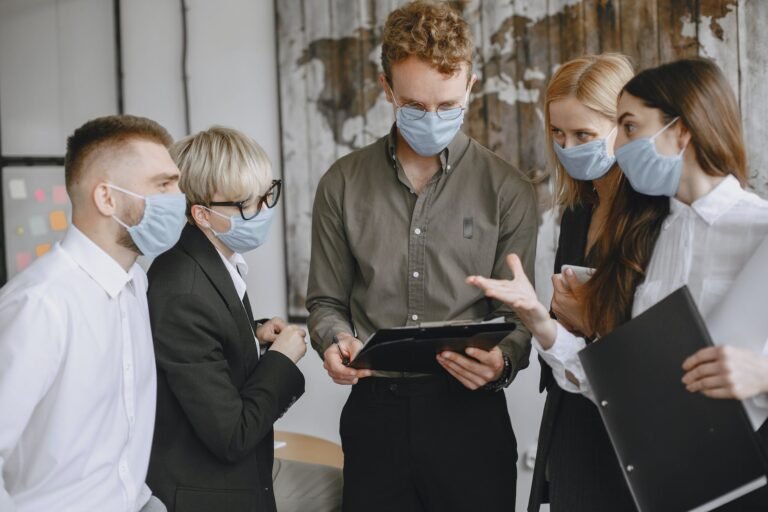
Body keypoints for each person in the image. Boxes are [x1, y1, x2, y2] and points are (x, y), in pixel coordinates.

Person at [468, 58, 768, 510]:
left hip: (736, 479)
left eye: (628, 127)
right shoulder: (669, 235)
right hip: (651, 466)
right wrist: (538, 317)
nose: (620, 148)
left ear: (681, 131)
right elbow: (629, 376)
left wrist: (762, 376)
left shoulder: (758, 229)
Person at [306, 2, 538, 511]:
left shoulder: (509, 190)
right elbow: (325, 300)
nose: (432, 119)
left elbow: (519, 313)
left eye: (448, 105)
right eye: (413, 105)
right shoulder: (341, 184)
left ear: (471, 85)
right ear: (386, 88)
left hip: (471, 415)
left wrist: (503, 361)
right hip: (374, 416)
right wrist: (333, 339)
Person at [0, 114, 186, 512]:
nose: (180, 199)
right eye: (163, 185)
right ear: (107, 198)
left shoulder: (136, 284)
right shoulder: (40, 305)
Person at [145, 126, 319, 512]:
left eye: (265, 194)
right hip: (207, 494)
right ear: (202, 215)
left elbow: (208, 339)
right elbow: (232, 435)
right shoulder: (182, 290)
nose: (262, 211)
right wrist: (281, 359)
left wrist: (252, 334)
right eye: (245, 203)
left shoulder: (211, 264)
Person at [527, 53, 639, 512]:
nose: (567, 146)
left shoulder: (651, 215)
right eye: (558, 132)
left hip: (630, 423)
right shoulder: (577, 209)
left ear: (625, 127)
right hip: (571, 412)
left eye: (584, 135)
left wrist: (587, 318)